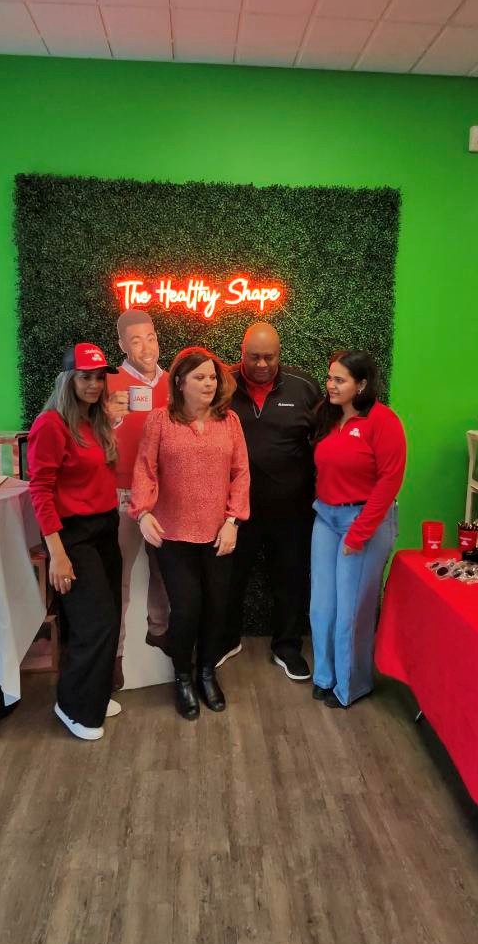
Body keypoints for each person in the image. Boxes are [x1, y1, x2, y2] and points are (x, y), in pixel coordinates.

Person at [130, 347, 250, 720]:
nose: (208, 383)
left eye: (212, 377)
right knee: (186, 609)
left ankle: (206, 672)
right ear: (180, 382)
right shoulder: (160, 421)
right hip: (173, 535)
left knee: (216, 607)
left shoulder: (229, 421)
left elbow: (241, 473)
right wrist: (142, 513)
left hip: (218, 535)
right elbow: (144, 469)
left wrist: (233, 521)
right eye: (199, 377)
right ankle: (182, 677)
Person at [27, 342, 123, 741]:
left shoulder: (95, 421)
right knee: (95, 623)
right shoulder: (51, 425)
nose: (94, 385)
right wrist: (58, 554)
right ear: (68, 379)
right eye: (86, 377)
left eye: (99, 377)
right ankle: (74, 707)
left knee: (109, 615)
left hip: (105, 527)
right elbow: (40, 490)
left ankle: (93, 693)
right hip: (73, 535)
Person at [223, 322, 322, 681]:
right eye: (254, 357)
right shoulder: (222, 383)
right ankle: (225, 640)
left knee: (291, 580)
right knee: (229, 579)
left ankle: (287, 647)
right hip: (236, 510)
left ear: (280, 353)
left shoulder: (304, 387)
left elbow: (324, 441)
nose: (262, 364)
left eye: (269, 357)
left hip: (292, 509)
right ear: (242, 352)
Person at [310, 351, 406, 709]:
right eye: (330, 378)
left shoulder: (383, 421)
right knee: (322, 605)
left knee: (352, 609)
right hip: (326, 517)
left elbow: (390, 481)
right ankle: (324, 676)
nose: (331, 385)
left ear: (361, 384)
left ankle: (350, 686)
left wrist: (359, 533)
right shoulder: (329, 415)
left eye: (340, 380)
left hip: (364, 520)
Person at [106, 309, 171, 687]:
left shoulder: (174, 381)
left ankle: (159, 629)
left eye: (151, 337)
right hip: (124, 492)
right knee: (121, 576)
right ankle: (114, 654)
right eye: (136, 340)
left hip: (166, 492)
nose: (147, 347)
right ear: (122, 345)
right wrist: (108, 419)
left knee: (166, 569)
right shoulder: (109, 383)